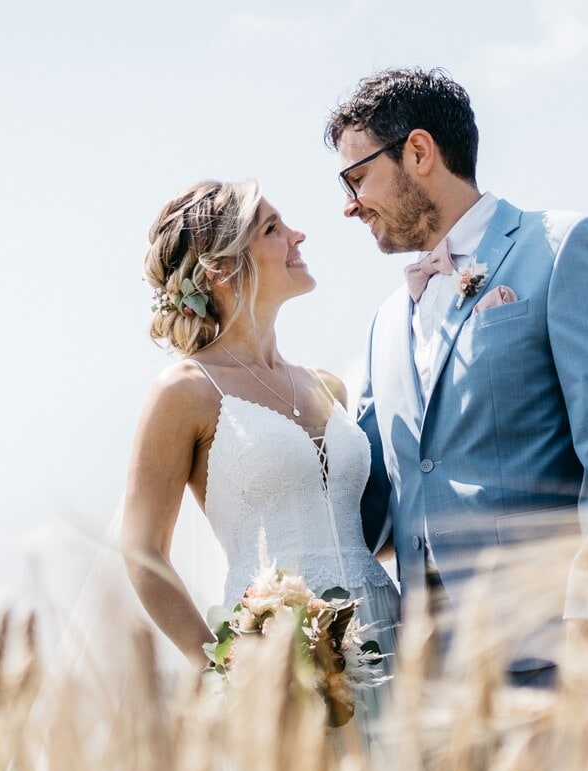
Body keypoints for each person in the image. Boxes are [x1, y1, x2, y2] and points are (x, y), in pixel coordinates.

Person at [329, 68, 588, 685]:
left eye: (356, 177)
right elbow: (375, 499)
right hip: (434, 681)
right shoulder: (385, 324)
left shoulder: (564, 247)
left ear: (419, 152)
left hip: (565, 655)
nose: (349, 204)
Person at [120, 178, 401, 703]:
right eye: (273, 228)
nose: (298, 235)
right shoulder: (186, 392)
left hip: (385, 636)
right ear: (221, 269)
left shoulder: (328, 387)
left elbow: (371, 526)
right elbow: (143, 552)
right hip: (274, 660)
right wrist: (225, 673)